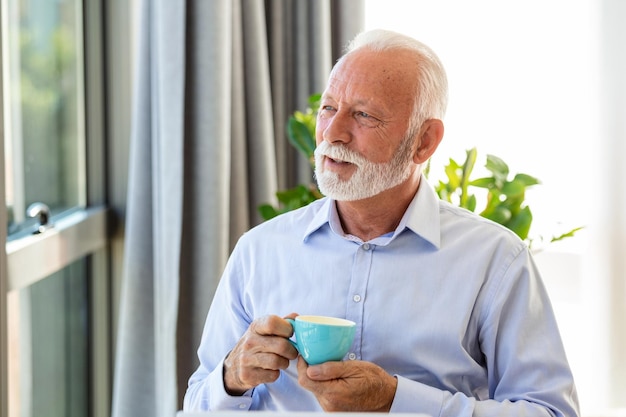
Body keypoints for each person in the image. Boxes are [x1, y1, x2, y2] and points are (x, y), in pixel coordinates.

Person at [183, 29, 580, 416]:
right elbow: (195, 405)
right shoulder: (259, 249)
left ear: (424, 141)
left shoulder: (495, 259)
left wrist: (395, 399)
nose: (333, 133)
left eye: (363, 115)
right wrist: (231, 377)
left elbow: (551, 412)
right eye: (328, 108)